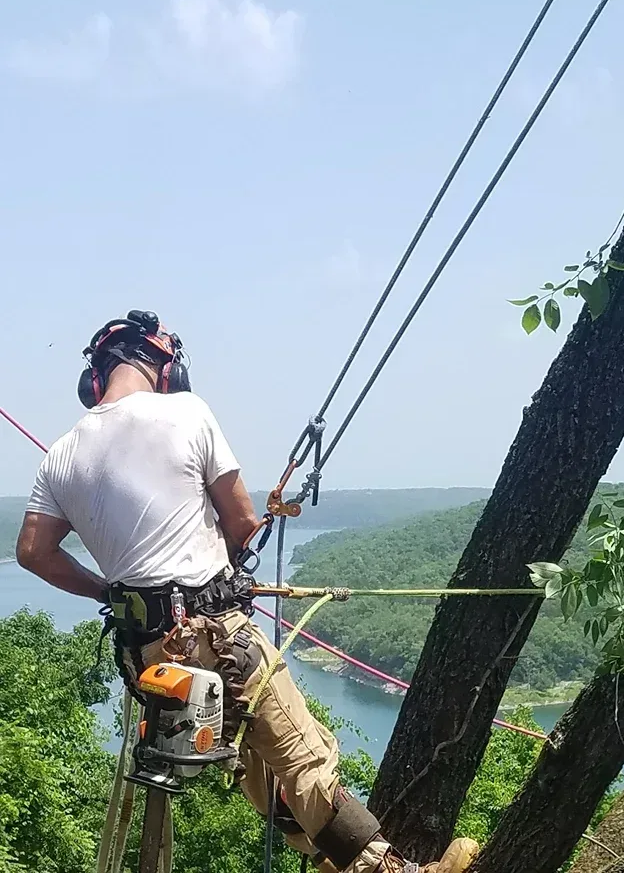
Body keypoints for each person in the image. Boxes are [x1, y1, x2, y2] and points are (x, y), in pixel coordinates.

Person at [17, 309, 469, 873]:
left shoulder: (61, 453)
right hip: (218, 639)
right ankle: (387, 870)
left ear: (96, 378)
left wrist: (107, 590)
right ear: (165, 368)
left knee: (260, 766)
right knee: (306, 756)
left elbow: (33, 553)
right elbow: (241, 523)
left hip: (148, 658)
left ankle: (329, 856)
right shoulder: (186, 412)